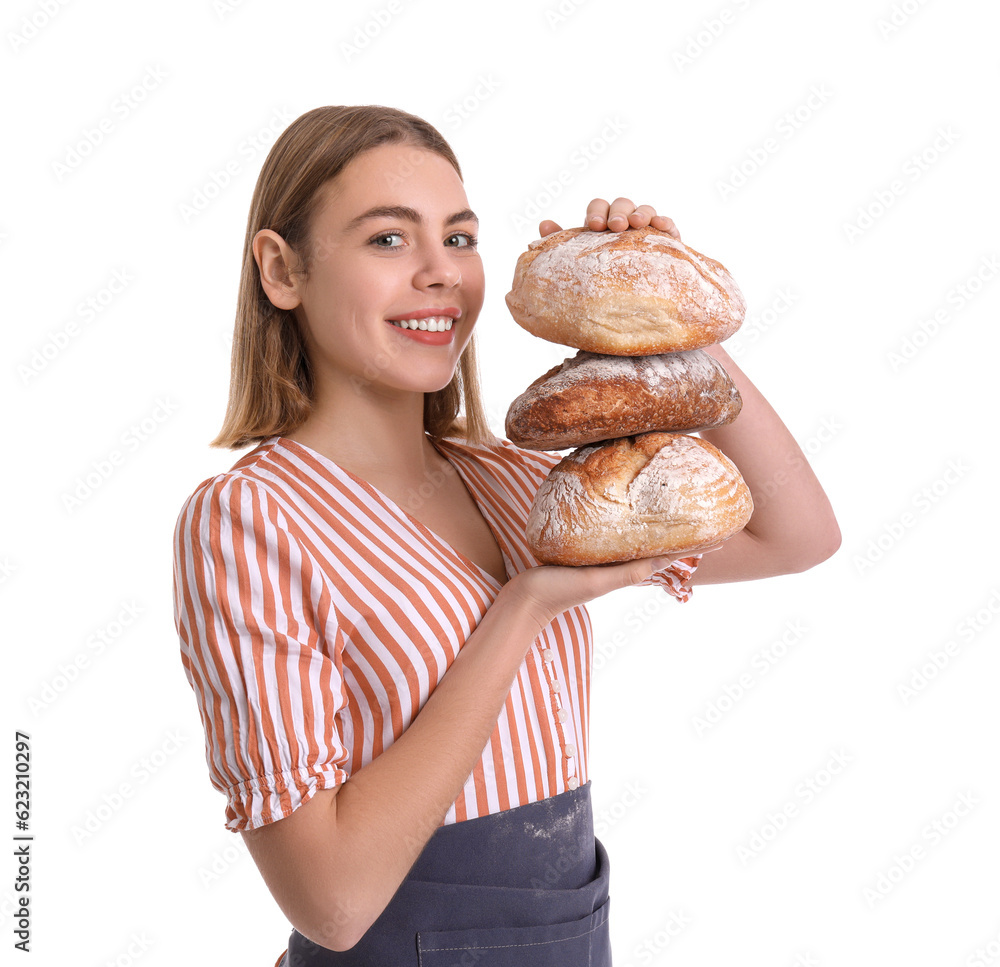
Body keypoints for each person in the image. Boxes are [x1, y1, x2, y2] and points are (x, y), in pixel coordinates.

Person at [171, 104, 840, 966]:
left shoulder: (521, 479)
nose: (440, 273)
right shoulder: (253, 519)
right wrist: (523, 604)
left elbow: (798, 535)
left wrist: (664, 304)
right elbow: (332, 904)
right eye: (387, 240)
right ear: (281, 268)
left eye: (458, 239)